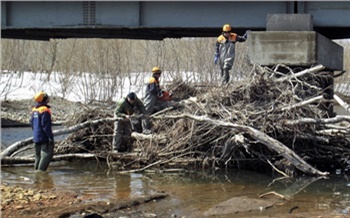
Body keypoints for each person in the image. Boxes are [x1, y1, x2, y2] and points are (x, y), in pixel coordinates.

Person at [142, 66, 172, 134]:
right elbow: (153, 90)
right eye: (158, 74)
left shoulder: (156, 80)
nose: (159, 75)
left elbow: (157, 89)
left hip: (154, 98)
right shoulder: (152, 80)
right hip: (150, 99)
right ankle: (145, 129)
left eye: (160, 74)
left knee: (164, 104)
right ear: (155, 73)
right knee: (146, 112)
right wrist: (158, 93)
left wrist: (163, 92)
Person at [30, 91, 54, 171]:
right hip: (44, 138)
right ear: (44, 99)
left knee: (38, 157)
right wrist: (50, 137)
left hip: (36, 137)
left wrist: (36, 133)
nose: (49, 98)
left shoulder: (34, 110)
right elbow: (46, 125)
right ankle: (40, 174)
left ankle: (36, 173)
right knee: (47, 155)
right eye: (47, 97)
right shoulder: (44, 110)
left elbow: (32, 123)